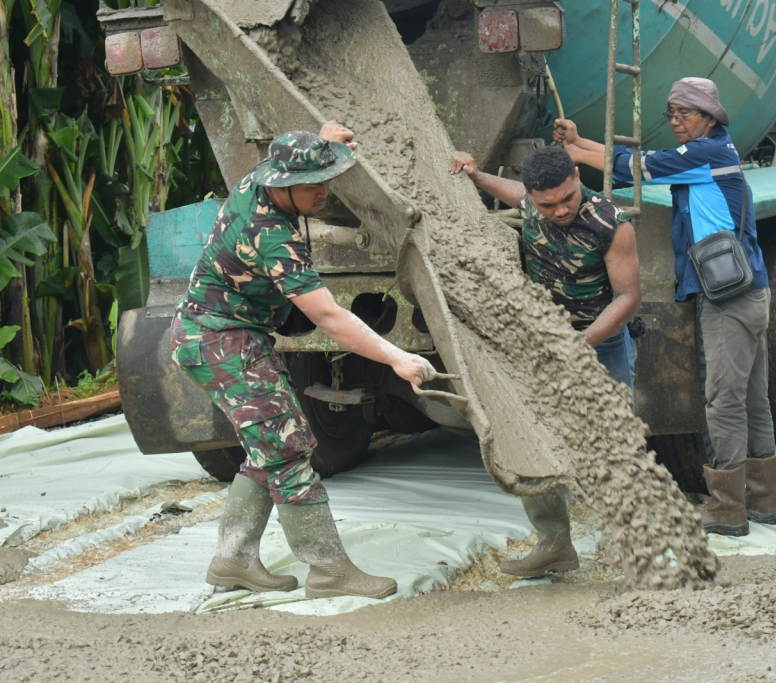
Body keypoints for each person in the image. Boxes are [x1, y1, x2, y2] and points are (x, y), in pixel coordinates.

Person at [170, 124, 436, 600]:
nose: (324, 193)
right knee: (287, 449)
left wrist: (324, 139)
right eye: (314, 187)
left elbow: (302, 156)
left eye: (326, 180)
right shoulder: (270, 236)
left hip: (231, 333)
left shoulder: (264, 175)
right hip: (216, 340)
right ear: (284, 184)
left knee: (268, 445)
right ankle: (329, 571)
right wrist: (397, 357)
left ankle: (233, 560)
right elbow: (330, 318)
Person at [553, 77, 776, 537]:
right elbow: (633, 160)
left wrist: (577, 154)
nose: (675, 122)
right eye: (671, 114)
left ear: (709, 118)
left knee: (725, 404)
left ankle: (727, 508)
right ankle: (762, 502)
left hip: (727, 300)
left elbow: (637, 167)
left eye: (685, 114)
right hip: (750, 292)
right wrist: (580, 144)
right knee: (753, 399)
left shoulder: (705, 153)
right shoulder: (715, 151)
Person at [450, 145, 642, 576]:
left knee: (614, 443)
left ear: (576, 177)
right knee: (528, 439)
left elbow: (629, 297)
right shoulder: (532, 204)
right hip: (539, 346)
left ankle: (635, 550)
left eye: (567, 199)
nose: (559, 211)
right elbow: (514, 191)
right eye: (547, 204)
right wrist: (476, 176)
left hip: (601, 344)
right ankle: (555, 543)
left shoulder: (611, 224)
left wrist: (580, 343)